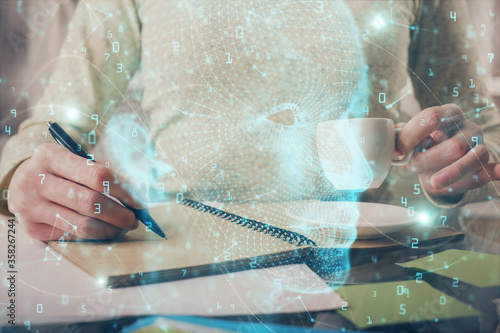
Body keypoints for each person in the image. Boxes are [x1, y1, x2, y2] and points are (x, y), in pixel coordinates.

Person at [1, 0, 499, 241]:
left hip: (375, 261)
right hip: (190, 262)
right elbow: (48, 129)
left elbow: (483, 128)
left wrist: (460, 167)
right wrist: (22, 174)